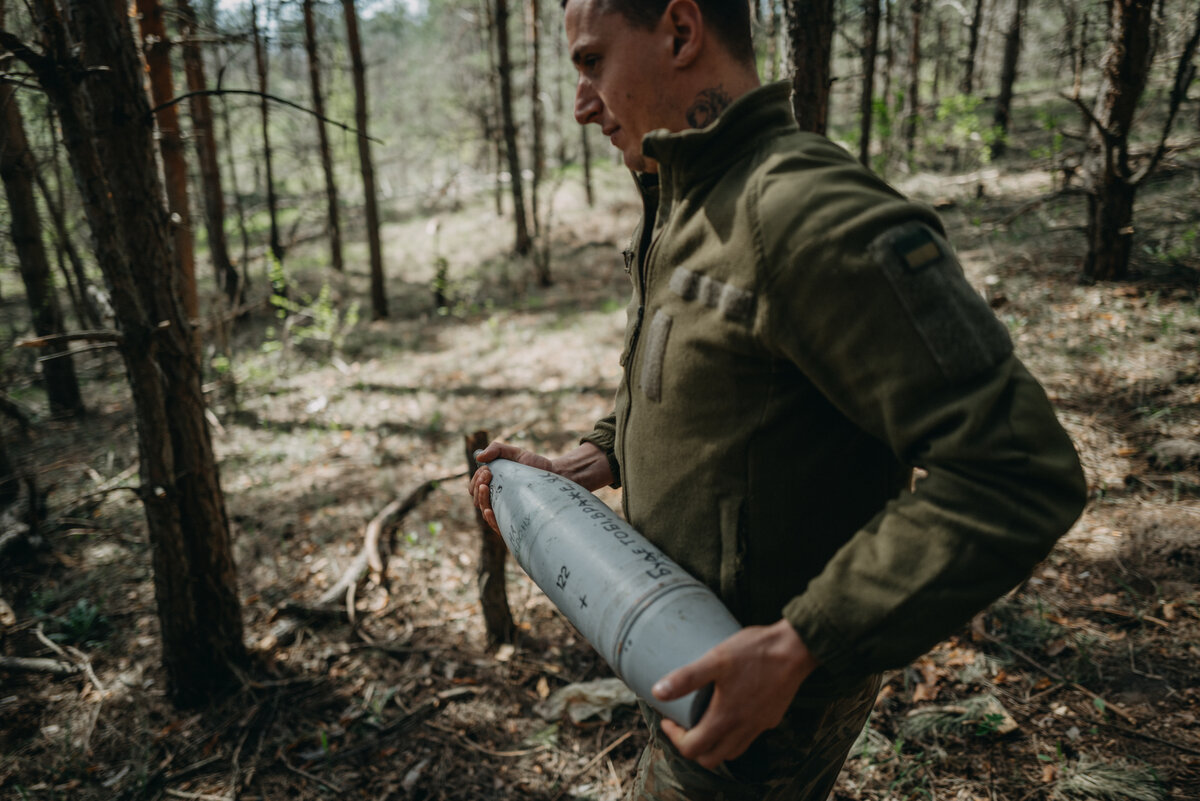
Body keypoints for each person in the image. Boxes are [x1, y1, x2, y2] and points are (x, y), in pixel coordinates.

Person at [470, 1, 1088, 798]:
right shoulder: (686, 199)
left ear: (682, 33)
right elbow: (693, 380)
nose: (582, 102)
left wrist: (798, 644)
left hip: (765, 707)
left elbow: (1018, 469)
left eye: (591, 63)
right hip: (687, 654)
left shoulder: (802, 212)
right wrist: (588, 459)